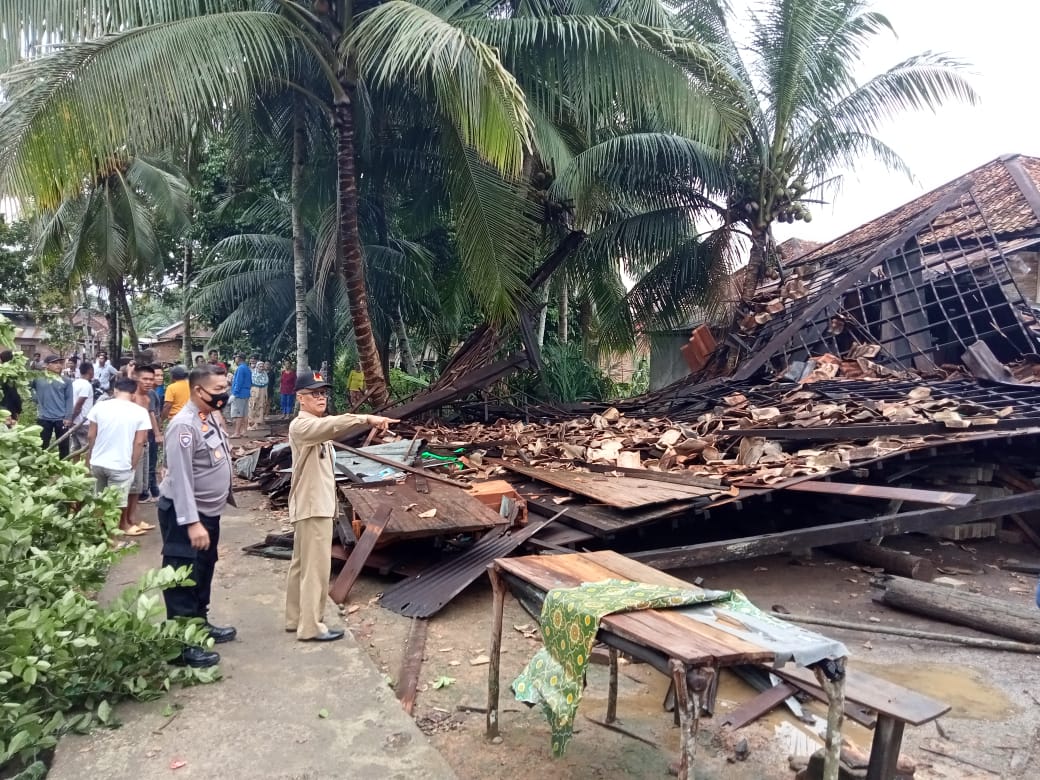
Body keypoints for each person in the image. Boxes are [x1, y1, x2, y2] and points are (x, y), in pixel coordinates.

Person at [284, 370, 398, 642]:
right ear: (300, 398)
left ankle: (295, 617)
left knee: (301, 564)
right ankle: (310, 626)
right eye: (314, 393)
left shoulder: (314, 426)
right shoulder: (303, 426)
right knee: (315, 568)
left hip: (314, 505)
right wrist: (367, 418)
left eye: (323, 393)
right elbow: (334, 425)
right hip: (313, 507)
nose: (321, 397)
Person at [158, 364, 237, 667]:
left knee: (203, 570)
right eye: (218, 390)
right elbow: (180, 478)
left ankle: (199, 625)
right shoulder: (183, 425)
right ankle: (182, 646)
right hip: (185, 515)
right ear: (198, 391)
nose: (224, 395)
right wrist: (192, 523)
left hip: (208, 513)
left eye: (225, 388)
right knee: (182, 578)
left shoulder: (208, 417)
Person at [85, 376, 152, 536]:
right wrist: (133, 464)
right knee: (116, 504)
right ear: (134, 393)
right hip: (121, 465)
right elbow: (140, 441)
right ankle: (112, 540)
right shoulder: (140, 412)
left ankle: (98, 535)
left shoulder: (100, 407)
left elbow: (90, 436)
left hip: (98, 462)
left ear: (115, 390)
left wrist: (90, 458)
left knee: (99, 500)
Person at [129, 364, 162, 514]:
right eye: (145, 379)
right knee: (131, 475)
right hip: (130, 440)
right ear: (137, 378)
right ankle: (126, 518)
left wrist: (157, 433)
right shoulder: (130, 396)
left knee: (141, 477)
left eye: (151, 379)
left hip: (145, 439)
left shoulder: (150, 396)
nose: (149, 382)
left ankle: (133, 515)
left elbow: (151, 415)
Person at [30, 355, 74, 457]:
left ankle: (64, 468)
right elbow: (28, 387)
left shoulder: (66, 381)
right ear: (46, 365)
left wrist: (68, 417)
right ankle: (41, 468)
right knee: (42, 445)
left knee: (63, 446)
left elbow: (69, 399)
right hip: (43, 417)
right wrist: (35, 397)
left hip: (61, 418)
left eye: (60, 363)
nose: (58, 365)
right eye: (55, 363)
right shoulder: (38, 378)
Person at [70, 361, 95, 454]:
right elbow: (79, 403)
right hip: (83, 421)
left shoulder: (75, 383)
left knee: (75, 447)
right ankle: (86, 468)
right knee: (86, 448)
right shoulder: (86, 385)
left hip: (74, 421)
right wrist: (72, 417)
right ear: (90, 370)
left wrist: (71, 419)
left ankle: (74, 467)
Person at [229, 353, 252, 438]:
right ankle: (244, 431)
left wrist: (234, 393)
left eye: (235, 358)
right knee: (245, 414)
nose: (235, 359)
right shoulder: (247, 368)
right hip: (246, 393)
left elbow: (238, 382)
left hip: (240, 394)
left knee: (238, 414)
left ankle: (237, 432)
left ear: (239, 358)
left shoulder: (240, 368)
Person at [1, 349, 23, 427]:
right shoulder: (12, 375)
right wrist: (18, 410)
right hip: (9, 410)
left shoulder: (2, 373)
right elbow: (14, 395)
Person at [248, 359, 269, 430]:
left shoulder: (265, 375)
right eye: (260, 366)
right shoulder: (253, 374)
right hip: (254, 393)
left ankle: (258, 423)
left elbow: (266, 385)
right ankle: (251, 423)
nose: (261, 367)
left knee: (261, 407)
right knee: (252, 406)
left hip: (262, 394)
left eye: (262, 366)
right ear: (257, 367)